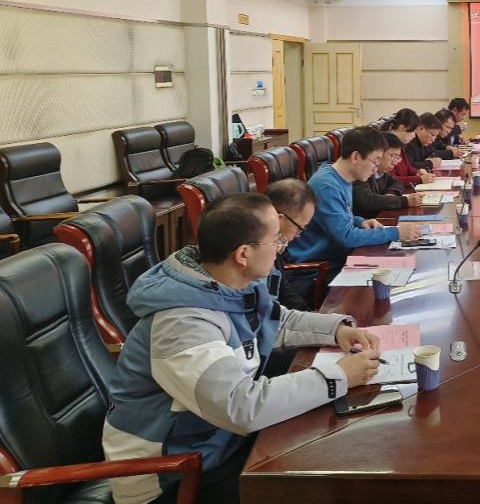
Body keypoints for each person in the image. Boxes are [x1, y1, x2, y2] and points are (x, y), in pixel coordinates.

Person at [102, 193, 383, 504]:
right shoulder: (181, 323)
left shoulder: (229, 285)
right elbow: (239, 407)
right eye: (275, 239)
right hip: (174, 477)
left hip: (217, 443)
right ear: (243, 254)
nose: (282, 247)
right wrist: (338, 377)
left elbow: (276, 320)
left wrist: (336, 329)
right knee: (319, 486)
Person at [286, 126, 421, 271]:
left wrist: (360, 221)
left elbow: (340, 215)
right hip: (320, 267)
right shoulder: (327, 186)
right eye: (375, 162)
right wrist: (396, 232)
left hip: (338, 256)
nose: (376, 169)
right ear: (356, 157)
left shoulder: (342, 177)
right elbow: (346, 237)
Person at [264, 178, 319, 311]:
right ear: (280, 218)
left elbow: (281, 286)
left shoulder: (275, 243)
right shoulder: (259, 250)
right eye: (299, 228)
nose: (297, 235)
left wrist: (307, 313)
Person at [352, 132, 424, 219]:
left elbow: (397, 182)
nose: (395, 162)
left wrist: (390, 194)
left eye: (397, 158)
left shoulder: (381, 172)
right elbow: (368, 200)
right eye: (393, 156)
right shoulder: (361, 172)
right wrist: (405, 201)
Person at [389, 108, 435, 186]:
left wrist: (417, 172)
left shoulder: (400, 144)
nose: (414, 136)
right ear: (402, 128)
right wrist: (419, 179)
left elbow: (408, 167)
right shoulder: (387, 145)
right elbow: (391, 179)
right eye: (413, 131)